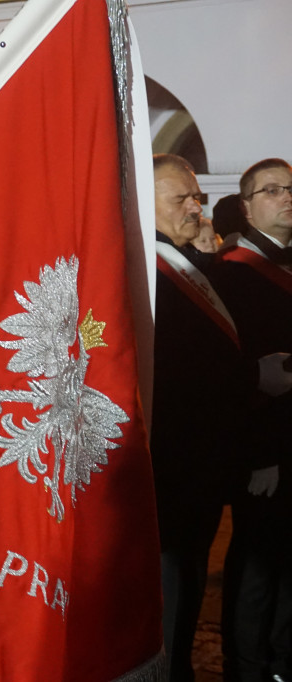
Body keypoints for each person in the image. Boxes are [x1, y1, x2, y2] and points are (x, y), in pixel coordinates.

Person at [150, 154, 267, 682]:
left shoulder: (181, 262)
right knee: (168, 596)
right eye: (181, 199)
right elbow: (173, 373)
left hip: (197, 470)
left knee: (188, 588)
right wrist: (254, 379)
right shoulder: (147, 273)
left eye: (196, 196)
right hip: (167, 470)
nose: (196, 207)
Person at [213, 158, 292, 682]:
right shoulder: (231, 272)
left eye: (291, 189)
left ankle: (283, 661)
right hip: (267, 449)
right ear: (247, 206)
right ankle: (246, 668)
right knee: (258, 564)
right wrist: (262, 454)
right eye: (271, 190)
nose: (286, 197)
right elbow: (231, 372)